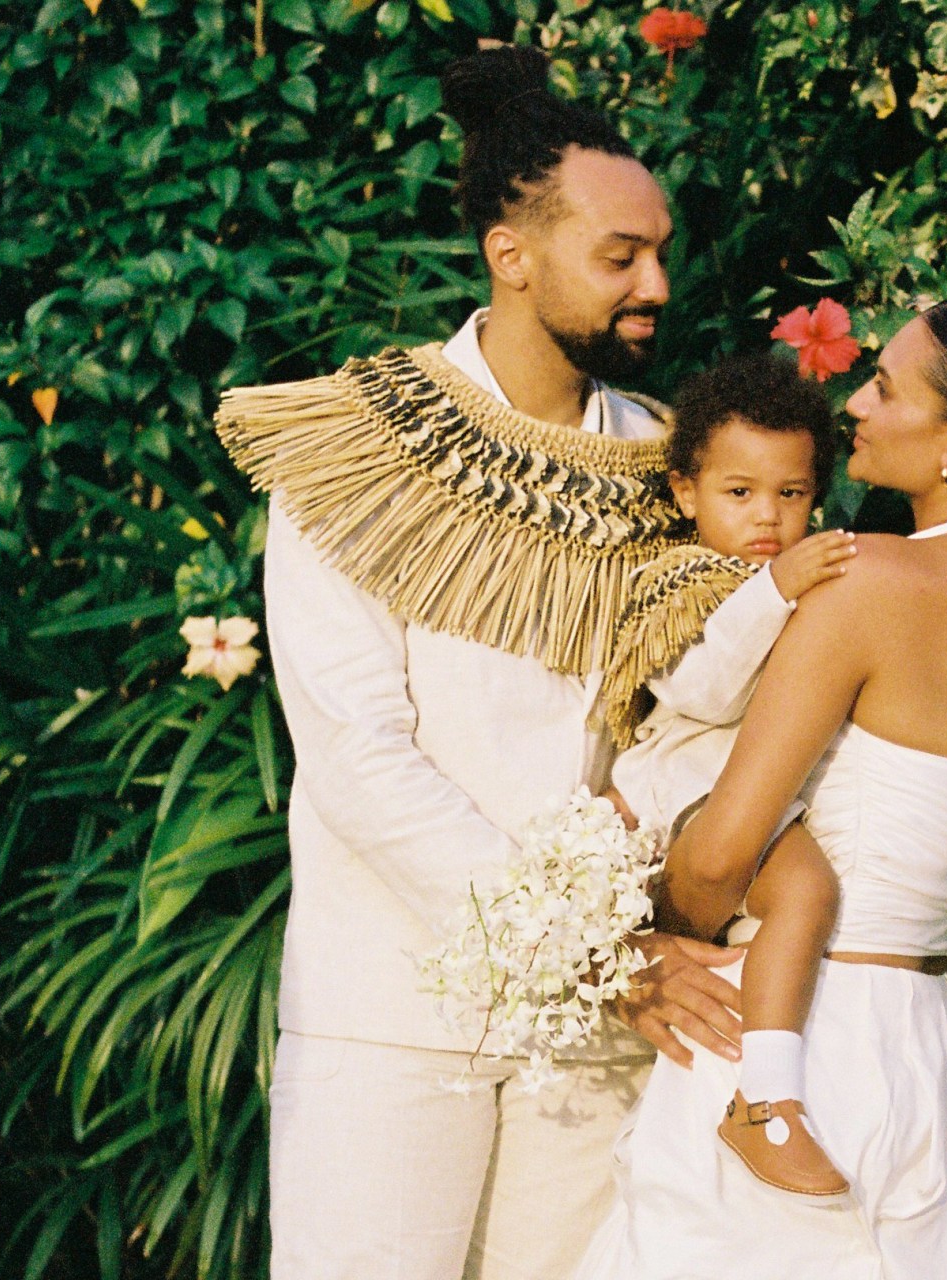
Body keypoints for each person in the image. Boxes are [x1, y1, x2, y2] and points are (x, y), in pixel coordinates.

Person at [213, 45, 745, 1280]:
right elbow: (360, 763)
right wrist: (597, 954)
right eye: (621, 256)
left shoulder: (675, 467)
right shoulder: (348, 455)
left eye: (660, 250)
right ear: (513, 255)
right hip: (395, 1016)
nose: (656, 282)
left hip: (604, 1043)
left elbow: (711, 723)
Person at [575, 295, 947, 1279]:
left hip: (796, 1025)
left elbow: (719, 853)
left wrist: (645, 930)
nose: (858, 406)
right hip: (925, 1038)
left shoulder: (868, 579)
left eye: (885, 387)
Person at [591, 351, 857, 1197]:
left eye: (792, 494)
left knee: (799, 912)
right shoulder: (683, 580)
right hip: (690, 790)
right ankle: (764, 1101)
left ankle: (755, 1078)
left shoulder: (811, 576)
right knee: (807, 892)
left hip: (755, 795)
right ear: (685, 494)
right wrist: (773, 592)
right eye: (740, 494)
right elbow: (699, 689)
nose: (769, 518)